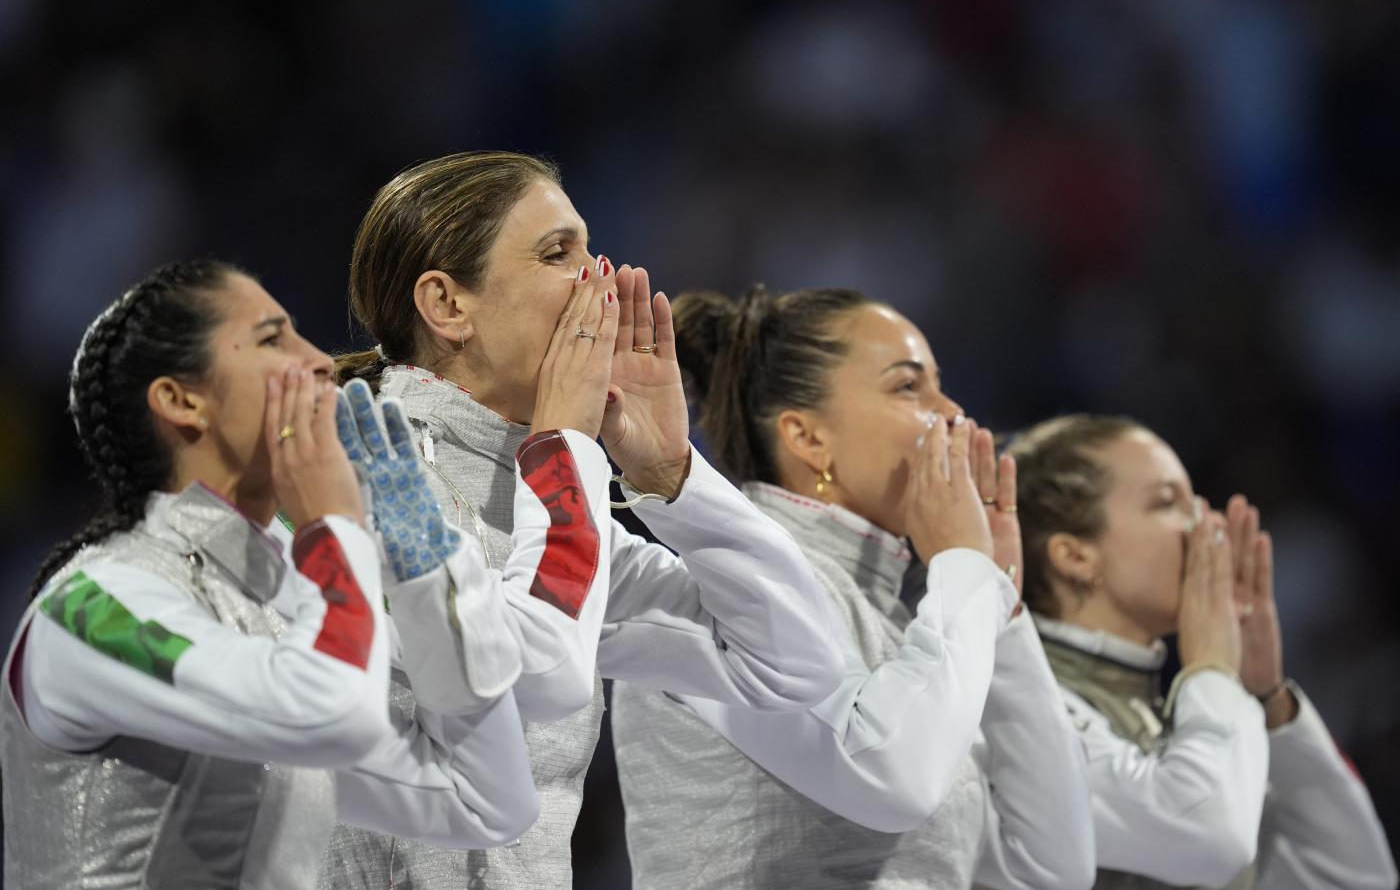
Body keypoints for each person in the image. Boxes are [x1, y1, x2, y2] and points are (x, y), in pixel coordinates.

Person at [320, 152, 844, 889]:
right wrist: (563, 445)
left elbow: (796, 661)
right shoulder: (363, 477)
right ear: (447, 306)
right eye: (557, 253)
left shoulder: (546, 498)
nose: (599, 282)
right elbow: (537, 669)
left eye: (589, 250)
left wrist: (670, 473)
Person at [1, 259, 561, 888]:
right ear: (182, 401)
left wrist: (424, 571)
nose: (320, 360)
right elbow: (332, 713)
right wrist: (331, 527)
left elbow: (487, 800)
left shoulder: (287, 598)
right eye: (272, 340)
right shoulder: (91, 605)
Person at [610, 286, 1096, 889]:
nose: (952, 413)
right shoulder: (725, 592)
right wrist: (965, 567)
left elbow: (1050, 866)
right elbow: (893, 778)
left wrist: (1001, 602)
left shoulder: (914, 615)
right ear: (808, 439)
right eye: (908, 386)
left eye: (940, 384)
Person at [1007, 414, 1397, 889]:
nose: (1206, 525)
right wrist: (1211, 669)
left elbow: (1355, 878)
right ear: (1075, 556)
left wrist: (1267, 697)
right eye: (1167, 502)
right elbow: (1212, 838)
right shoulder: (1022, 715)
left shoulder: (1188, 713)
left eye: (1197, 501)